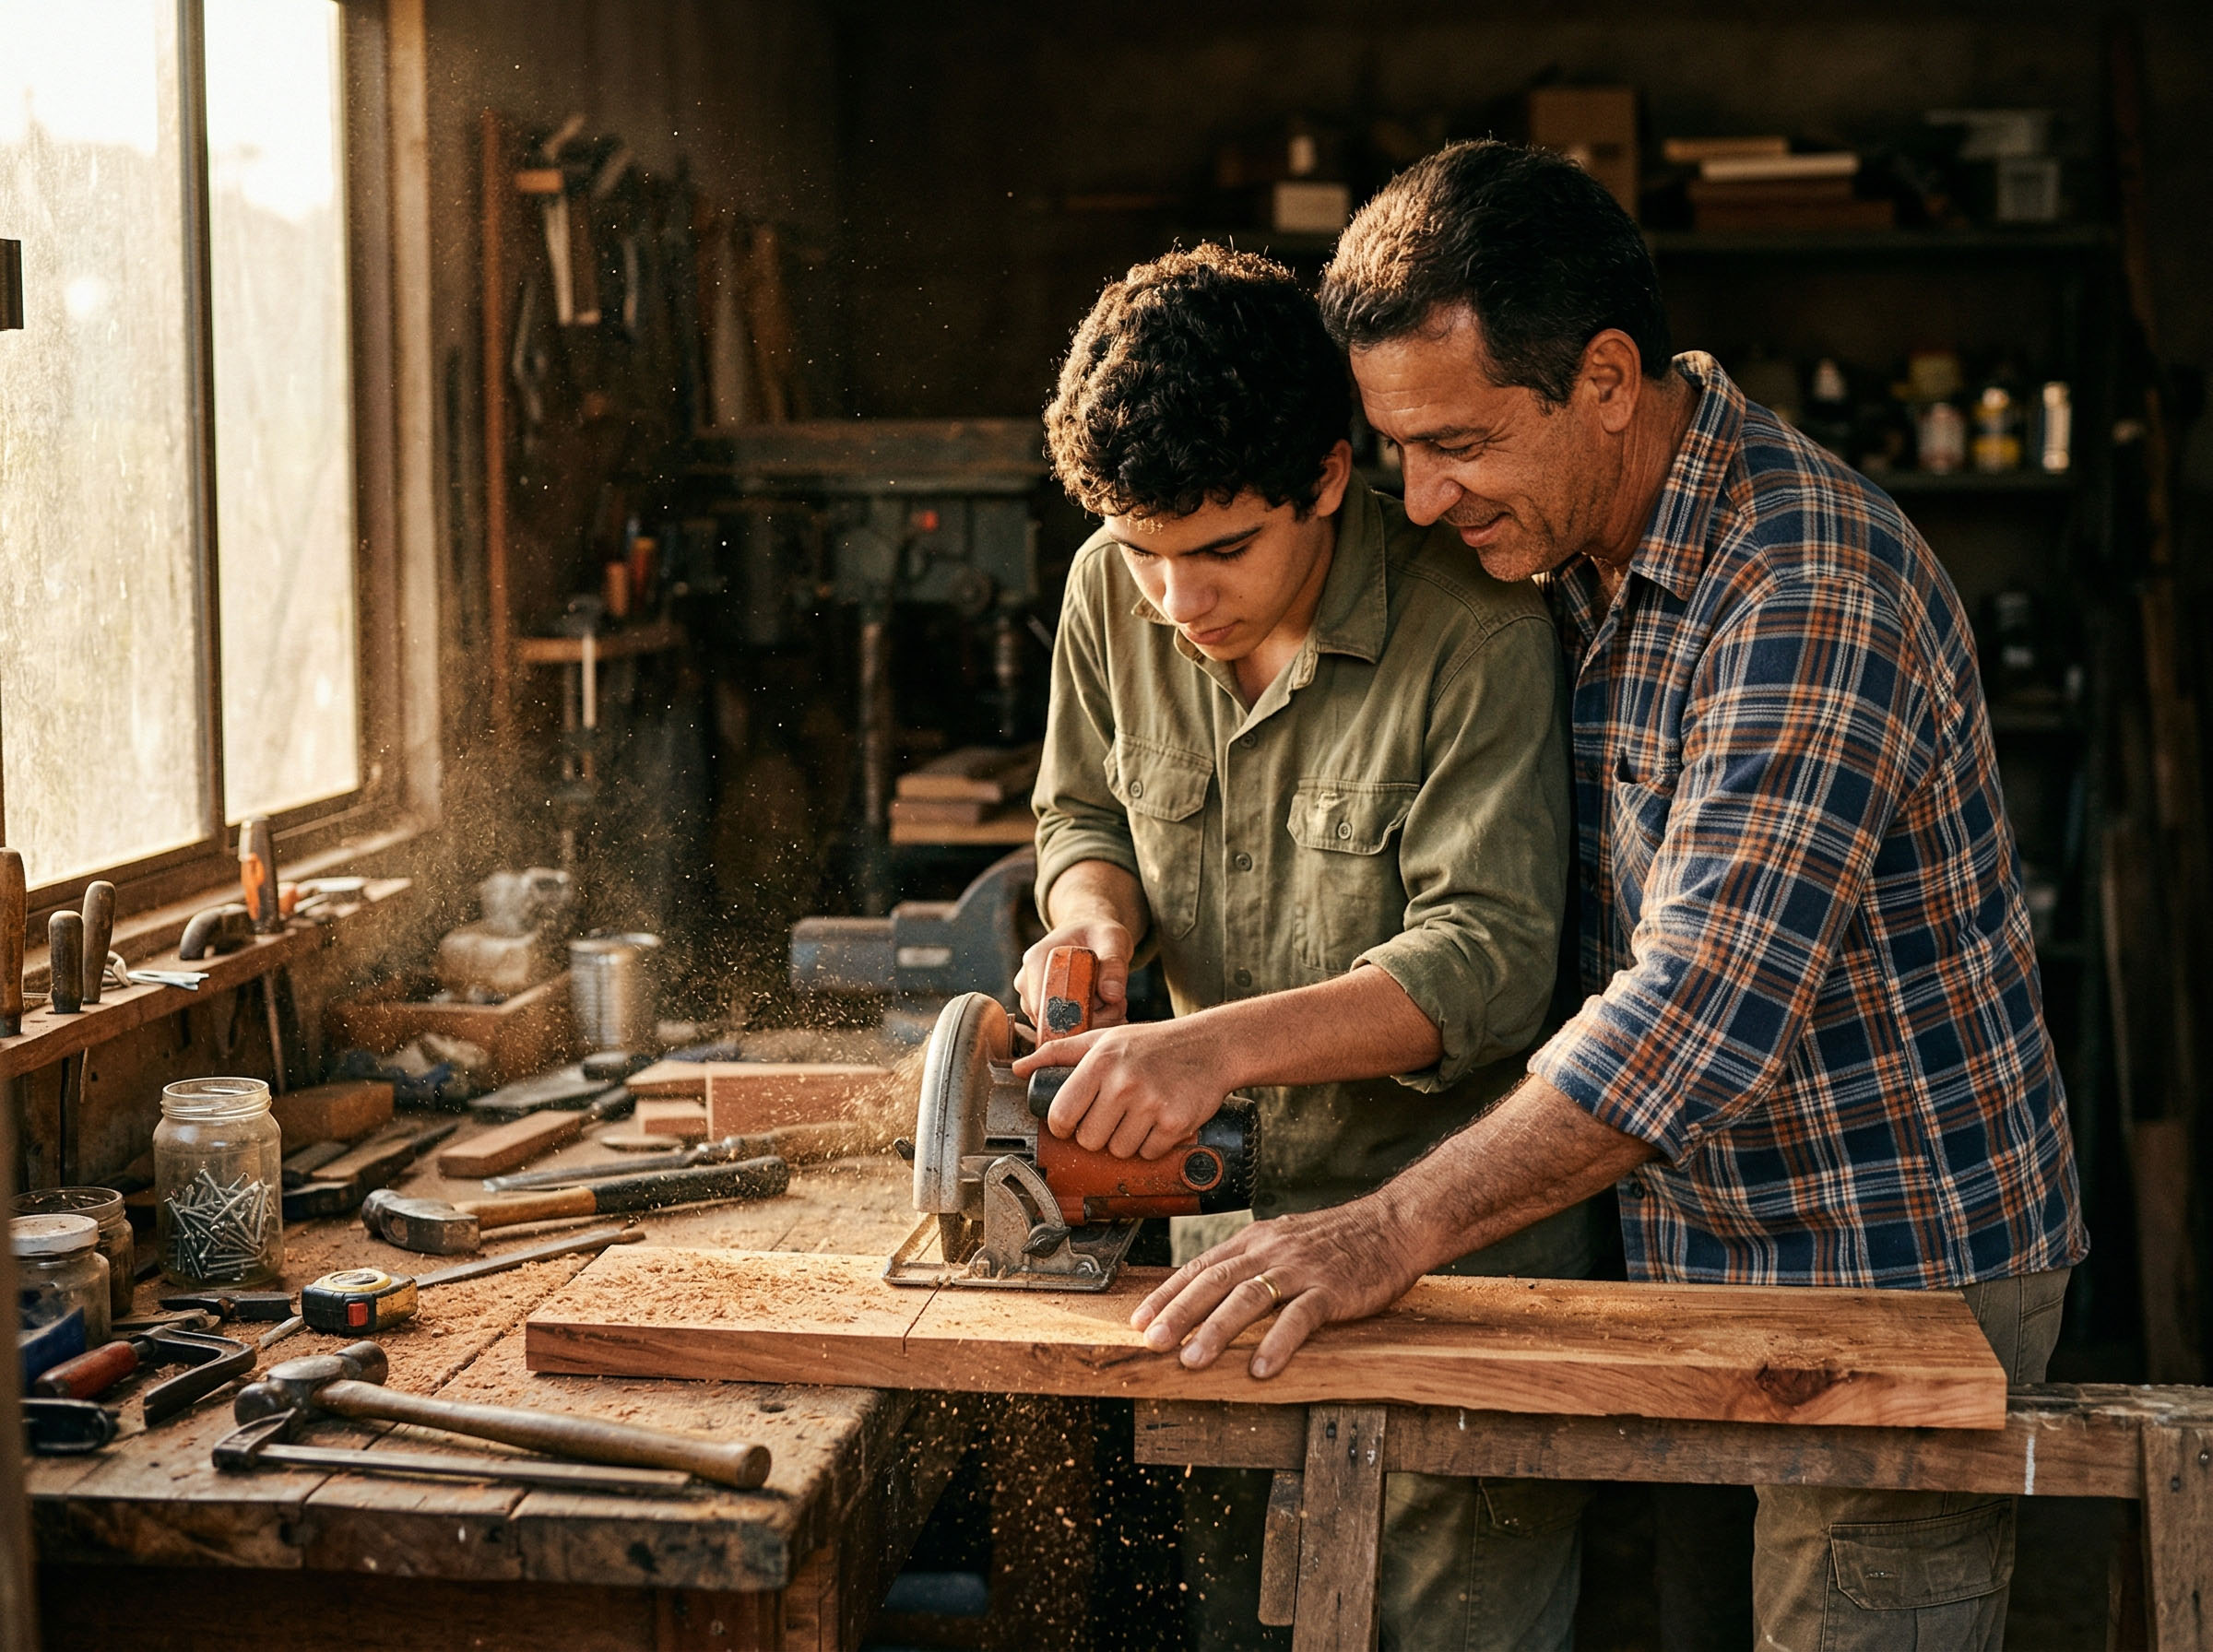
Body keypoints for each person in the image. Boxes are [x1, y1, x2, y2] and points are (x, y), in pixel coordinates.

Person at [1131, 141, 2089, 1652]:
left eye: (1457, 444)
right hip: (1682, 1258)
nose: (1424, 501)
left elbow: (1694, 1017)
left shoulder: (1802, 591)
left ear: (1606, 378)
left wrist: (1379, 1231)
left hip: (1891, 1270)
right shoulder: (1566, 542)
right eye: (1393, 452)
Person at [1019, 242, 1589, 1650]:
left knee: (1455, 1629)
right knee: (1244, 1617)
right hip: (1226, 1247)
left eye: (1223, 552)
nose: (1177, 603)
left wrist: (1208, 1042)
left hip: (1459, 1256)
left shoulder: (1477, 625)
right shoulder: (1115, 586)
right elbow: (1083, 809)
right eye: (1145, 556)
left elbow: (1489, 958)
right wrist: (1090, 928)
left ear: (1330, 477)